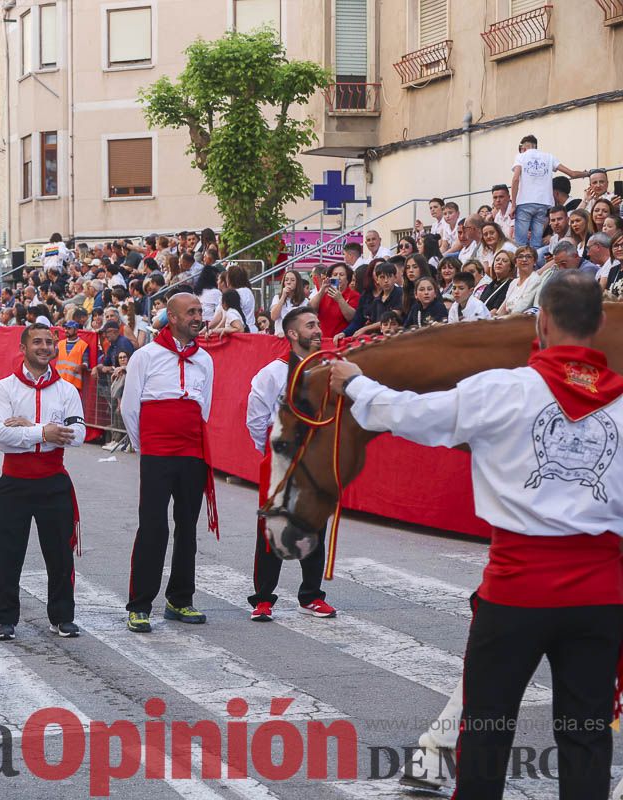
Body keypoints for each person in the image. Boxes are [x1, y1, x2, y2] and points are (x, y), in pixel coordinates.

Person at [329, 270, 623, 800]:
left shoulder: (503, 388)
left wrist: (356, 382)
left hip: (516, 592)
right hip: (601, 596)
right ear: (600, 323)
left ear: (541, 322)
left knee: (486, 729)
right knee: (586, 737)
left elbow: (411, 414)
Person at [120, 292, 217, 633]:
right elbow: (130, 407)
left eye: (199, 312)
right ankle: (140, 604)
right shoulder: (145, 356)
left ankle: (180, 599)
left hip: (192, 452)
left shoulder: (205, 359)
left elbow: (204, 406)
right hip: (157, 452)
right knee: (153, 527)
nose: (197, 317)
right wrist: (144, 447)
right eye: (191, 312)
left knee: (187, 527)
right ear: (172, 317)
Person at [0, 323, 85, 641]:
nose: (45, 347)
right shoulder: (4, 388)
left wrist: (28, 426)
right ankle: (5, 619)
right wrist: (44, 432)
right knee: (9, 554)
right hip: (13, 483)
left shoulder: (67, 390)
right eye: (37, 342)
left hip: (53, 481)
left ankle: (62, 617)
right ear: (23, 348)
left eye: (49, 342)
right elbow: (1, 436)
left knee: (59, 554)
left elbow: (78, 435)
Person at [246, 307, 337, 622]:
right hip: (283, 461)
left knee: (314, 527)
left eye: (318, 324)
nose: (317, 330)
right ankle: (263, 599)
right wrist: (271, 450)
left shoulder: (328, 369)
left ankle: (311, 595)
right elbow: (256, 417)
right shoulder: (273, 372)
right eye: (310, 325)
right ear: (293, 334)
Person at [510, 134, 588, 248]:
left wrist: (513, 205)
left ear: (523, 148)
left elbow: (516, 179)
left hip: (525, 202)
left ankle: (521, 265)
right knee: (536, 243)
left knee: (520, 243)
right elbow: (572, 173)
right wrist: (586, 173)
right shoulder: (549, 157)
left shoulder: (520, 157)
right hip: (543, 203)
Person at [309, 263, 359, 340]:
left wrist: (340, 299)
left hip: (342, 341)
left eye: (341, 275)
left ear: (347, 279)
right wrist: (321, 291)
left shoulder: (354, 295)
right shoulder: (325, 293)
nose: (338, 277)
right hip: (323, 340)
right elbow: (310, 309)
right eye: (335, 274)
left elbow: (352, 318)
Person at [270, 270, 309, 336]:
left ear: (298, 283)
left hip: (297, 339)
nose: (288, 282)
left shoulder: (304, 301)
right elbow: (273, 317)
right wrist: (283, 297)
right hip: (280, 338)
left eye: (292, 280)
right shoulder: (277, 298)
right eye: (286, 280)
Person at [54, 319, 90, 390]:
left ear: (76, 330)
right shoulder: (60, 343)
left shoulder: (83, 345)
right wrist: (53, 343)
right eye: (65, 328)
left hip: (74, 384)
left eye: (69, 328)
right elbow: (52, 355)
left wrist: (81, 367)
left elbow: (86, 363)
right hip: (58, 381)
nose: (66, 330)